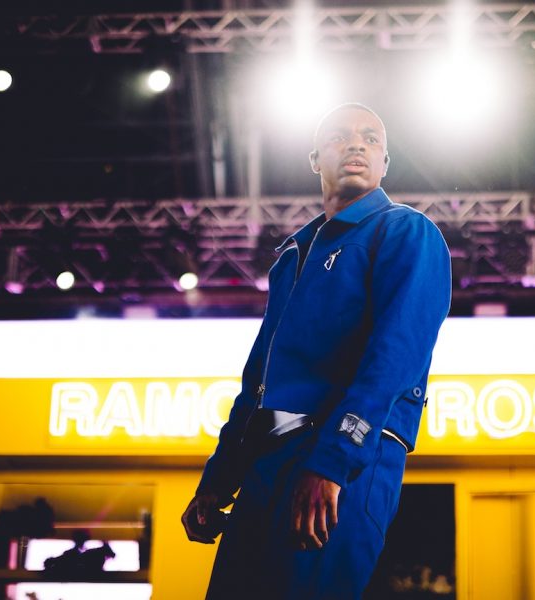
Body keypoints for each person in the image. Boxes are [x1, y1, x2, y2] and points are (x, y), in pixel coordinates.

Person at [181, 103, 452, 600]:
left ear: (385, 162)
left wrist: (333, 460)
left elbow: (394, 360)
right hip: (268, 462)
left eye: (371, 138)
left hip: (342, 460)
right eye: (340, 137)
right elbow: (257, 381)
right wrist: (218, 479)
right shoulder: (294, 253)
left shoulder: (405, 231)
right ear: (314, 158)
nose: (356, 145)